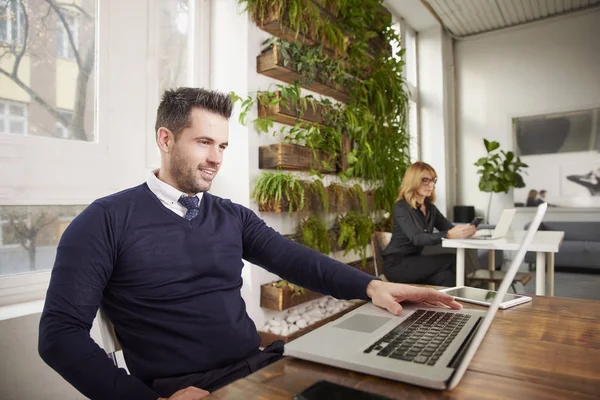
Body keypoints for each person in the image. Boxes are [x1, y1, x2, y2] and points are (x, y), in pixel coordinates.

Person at [38, 88, 462, 400]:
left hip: (261, 368)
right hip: (190, 390)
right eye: (204, 142)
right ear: (165, 140)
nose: (217, 158)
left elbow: (295, 260)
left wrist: (371, 286)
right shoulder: (105, 221)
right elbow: (59, 335)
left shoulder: (230, 215)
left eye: (222, 145)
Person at [382, 162, 476, 287]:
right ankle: (467, 301)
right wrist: (448, 235)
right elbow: (417, 238)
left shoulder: (430, 208)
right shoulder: (401, 207)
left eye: (433, 180)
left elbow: (449, 228)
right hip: (397, 264)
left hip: (416, 262)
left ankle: (458, 304)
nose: (431, 185)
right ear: (413, 181)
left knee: (446, 277)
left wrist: (465, 231)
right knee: (453, 260)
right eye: (425, 180)